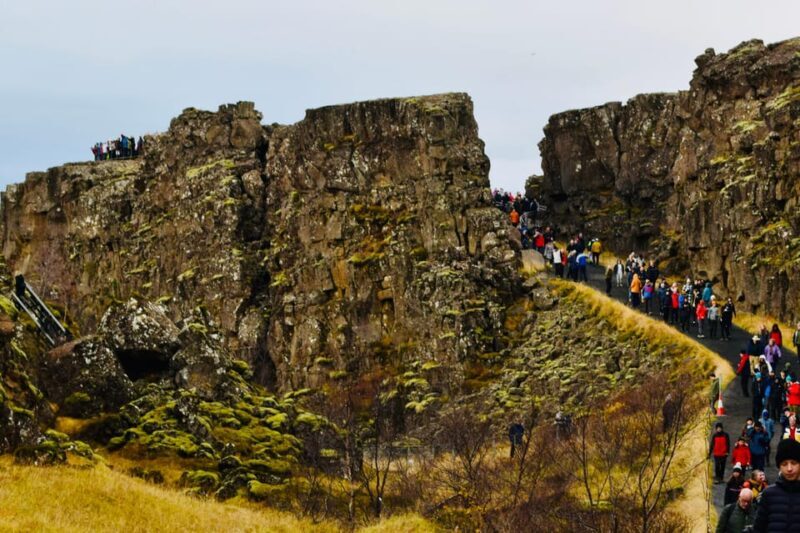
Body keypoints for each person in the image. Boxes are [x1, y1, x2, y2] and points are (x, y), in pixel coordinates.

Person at [753, 438, 800, 531]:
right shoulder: (768, 494)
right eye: (784, 464)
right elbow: (758, 529)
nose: (789, 468)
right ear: (779, 467)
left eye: (793, 463)